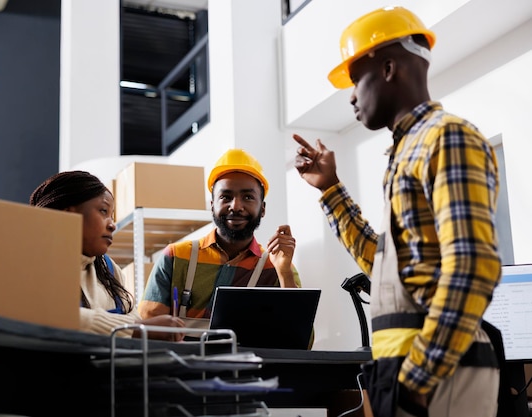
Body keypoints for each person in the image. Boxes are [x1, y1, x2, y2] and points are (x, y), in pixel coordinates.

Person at [293, 6, 502, 417]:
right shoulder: (406, 153)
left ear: (389, 67)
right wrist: (331, 190)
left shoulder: (447, 138)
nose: (351, 95)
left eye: (356, 80)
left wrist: (417, 380)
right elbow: (384, 266)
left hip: (439, 378)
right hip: (407, 374)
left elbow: (473, 267)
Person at [139, 149, 302, 324]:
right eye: (226, 197)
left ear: (262, 208)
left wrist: (284, 273)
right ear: (212, 206)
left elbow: (301, 343)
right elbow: (148, 333)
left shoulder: (277, 267)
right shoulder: (175, 257)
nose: (236, 206)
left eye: (247, 197)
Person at [30, 170, 185, 341]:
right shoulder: (31, 264)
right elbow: (52, 316)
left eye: (112, 216)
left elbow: (133, 318)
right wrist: (134, 330)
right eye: (103, 211)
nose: (112, 225)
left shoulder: (109, 269)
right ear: (68, 214)